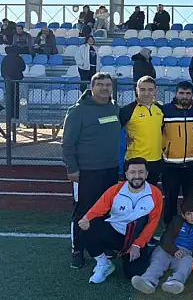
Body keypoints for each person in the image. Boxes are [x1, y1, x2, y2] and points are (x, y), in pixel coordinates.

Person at [62, 72, 121, 269]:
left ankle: (101, 245)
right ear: (92, 87)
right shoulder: (77, 111)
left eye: (108, 85)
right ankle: (77, 249)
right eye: (100, 85)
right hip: (87, 171)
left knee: (105, 209)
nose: (104, 88)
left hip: (110, 169)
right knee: (83, 210)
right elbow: (67, 143)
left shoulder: (114, 108)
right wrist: (72, 168)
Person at [78, 157, 163, 283]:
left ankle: (141, 251)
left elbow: (153, 222)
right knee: (87, 229)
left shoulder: (155, 194)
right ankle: (104, 263)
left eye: (141, 172)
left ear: (146, 174)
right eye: (133, 172)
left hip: (135, 238)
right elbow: (98, 208)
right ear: (127, 174)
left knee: (134, 273)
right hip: (114, 232)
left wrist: (137, 244)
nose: (137, 176)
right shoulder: (115, 190)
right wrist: (86, 219)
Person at [130, 198, 193, 295]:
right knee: (158, 261)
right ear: (183, 215)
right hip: (168, 248)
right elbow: (166, 238)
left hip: (185, 253)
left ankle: (174, 282)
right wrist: (174, 250)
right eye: (189, 214)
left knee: (187, 263)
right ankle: (148, 281)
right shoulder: (177, 221)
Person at [161, 82, 193, 225]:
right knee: (170, 200)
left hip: (192, 164)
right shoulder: (165, 111)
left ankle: (190, 230)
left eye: (188, 93)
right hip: (170, 165)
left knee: (191, 201)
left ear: (192, 95)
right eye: (181, 93)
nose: (184, 96)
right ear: (176, 93)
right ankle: (169, 228)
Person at [119, 76, 164, 186]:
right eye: (142, 89)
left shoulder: (161, 109)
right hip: (135, 161)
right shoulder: (127, 110)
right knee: (133, 192)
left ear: (155, 91)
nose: (146, 93)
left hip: (156, 160)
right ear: (137, 90)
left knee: (151, 192)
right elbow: (114, 130)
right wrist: (124, 138)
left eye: (150, 90)